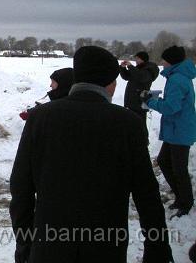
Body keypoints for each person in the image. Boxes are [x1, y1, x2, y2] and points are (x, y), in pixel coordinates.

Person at [10, 46, 173, 262]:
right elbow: (147, 196)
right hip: (106, 247)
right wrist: (157, 249)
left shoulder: (40, 118)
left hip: (48, 246)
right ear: (110, 84)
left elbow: (21, 187)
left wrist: (25, 242)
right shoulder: (128, 124)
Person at [145, 45, 196, 218]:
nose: (162, 62)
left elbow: (171, 107)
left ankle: (186, 202)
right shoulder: (178, 76)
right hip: (177, 129)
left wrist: (150, 102)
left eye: (164, 59)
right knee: (165, 162)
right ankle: (182, 198)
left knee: (178, 168)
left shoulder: (177, 79)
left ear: (171, 61)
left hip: (179, 131)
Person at [119, 51, 159, 137]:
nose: (136, 60)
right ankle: (134, 141)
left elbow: (141, 77)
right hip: (132, 101)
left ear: (143, 59)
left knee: (140, 124)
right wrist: (122, 68)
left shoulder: (149, 69)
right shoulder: (138, 68)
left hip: (140, 101)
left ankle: (144, 141)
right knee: (132, 123)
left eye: (137, 58)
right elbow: (126, 77)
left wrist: (130, 66)